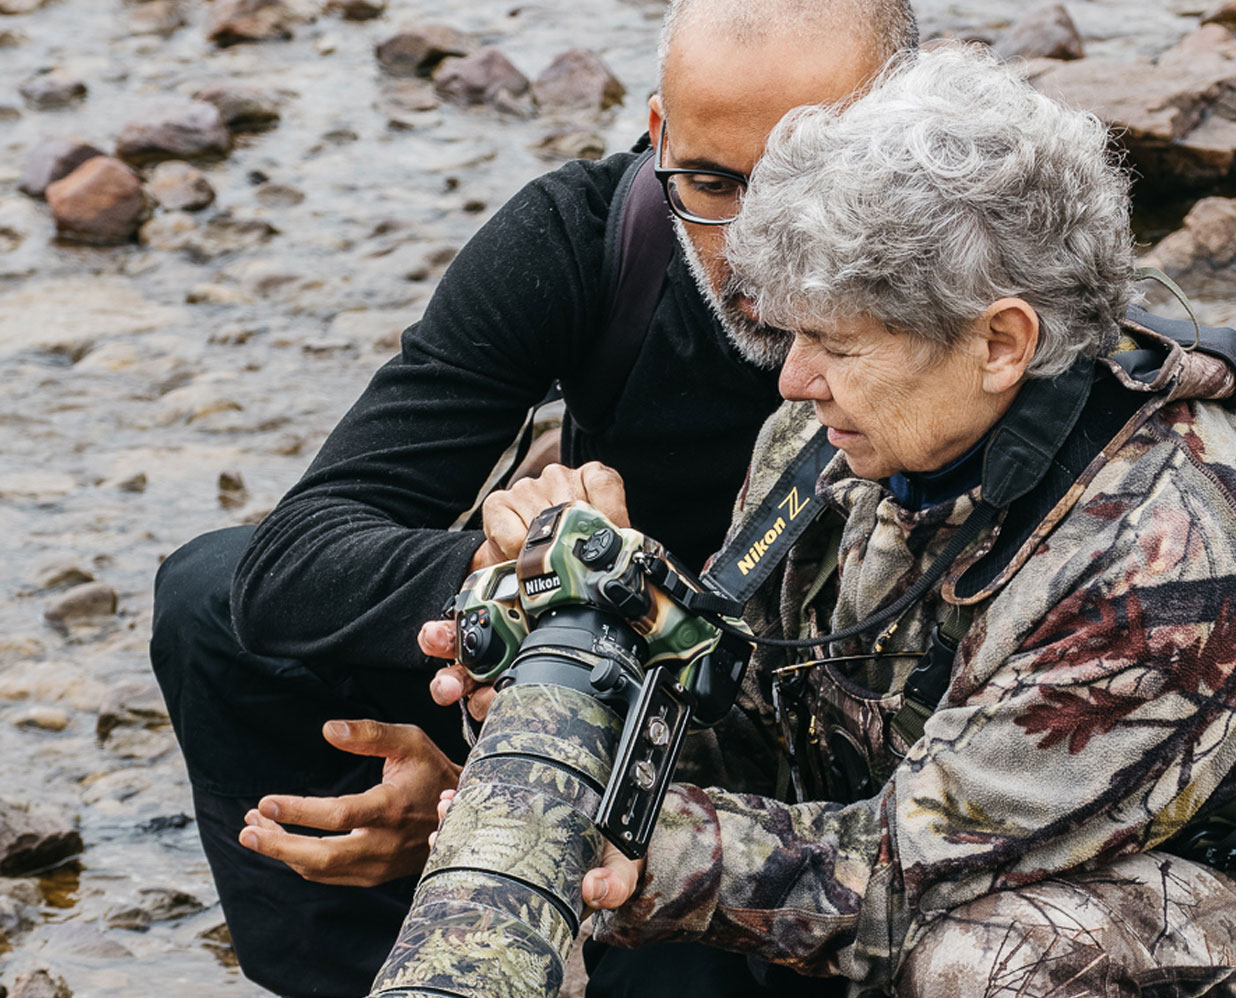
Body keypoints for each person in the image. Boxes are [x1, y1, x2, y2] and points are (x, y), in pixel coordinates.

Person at [536, 46, 1236, 998]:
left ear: (1002, 342)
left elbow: (891, 880)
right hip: (1047, 841)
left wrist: (624, 861)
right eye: (792, 334)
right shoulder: (835, 433)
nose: (793, 378)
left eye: (833, 343)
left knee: (989, 966)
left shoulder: (1170, 548)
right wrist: (565, 686)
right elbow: (752, 719)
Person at [148, 1, 919, 994]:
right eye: (714, 183)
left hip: (810, 756)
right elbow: (289, 564)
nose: (763, 249)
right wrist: (520, 568)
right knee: (210, 604)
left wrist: (498, 802)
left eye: (810, 183)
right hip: (594, 680)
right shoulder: (589, 238)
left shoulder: (989, 290)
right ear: (657, 139)